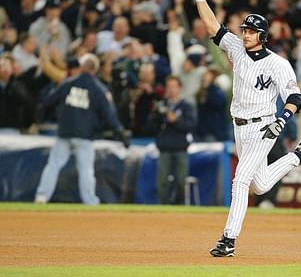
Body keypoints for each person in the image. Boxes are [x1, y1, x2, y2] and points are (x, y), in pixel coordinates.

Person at [184, 0, 301, 257]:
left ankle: (228, 240)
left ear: (263, 35)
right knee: (259, 185)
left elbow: (295, 98)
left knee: (241, 180)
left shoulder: (278, 63)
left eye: (251, 31)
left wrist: (281, 121)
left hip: (263, 125)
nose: (245, 34)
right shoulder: (235, 49)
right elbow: (213, 27)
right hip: (239, 125)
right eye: (245, 29)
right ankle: (299, 154)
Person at [34, 53, 128, 205]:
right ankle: (90, 201)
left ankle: (42, 196)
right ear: (95, 69)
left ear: (80, 66)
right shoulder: (98, 89)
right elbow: (109, 113)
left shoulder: (67, 83)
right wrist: (120, 132)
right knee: (86, 171)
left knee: (53, 165)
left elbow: (47, 101)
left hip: (65, 133)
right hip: (84, 136)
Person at [149, 76, 196, 205]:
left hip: (180, 148)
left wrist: (176, 120)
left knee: (181, 181)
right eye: (169, 86)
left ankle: (179, 206)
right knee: (162, 181)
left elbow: (191, 125)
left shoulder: (186, 106)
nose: (171, 90)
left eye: (174, 86)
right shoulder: (161, 105)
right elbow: (151, 126)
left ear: (179, 88)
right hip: (164, 147)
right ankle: (164, 207)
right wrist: (156, 115)